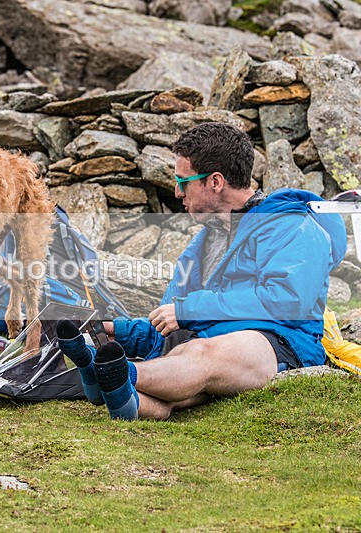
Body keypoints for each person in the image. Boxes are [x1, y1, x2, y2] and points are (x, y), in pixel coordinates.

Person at [57, 122, 347, 420]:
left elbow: (287, 301)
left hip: (280, 341)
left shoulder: (290, 225)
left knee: (202, 356)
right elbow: (178, 323)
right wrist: (121, 330)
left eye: (183, 181)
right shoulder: (205, 240)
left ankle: (108, 374)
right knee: (179, 377)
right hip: (208, 343)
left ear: (215, 181)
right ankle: (117, 393)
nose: (177, 191)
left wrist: (186, 310)